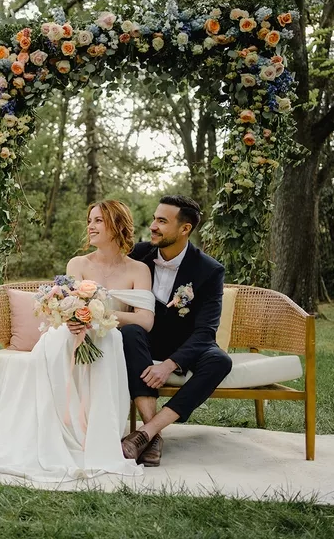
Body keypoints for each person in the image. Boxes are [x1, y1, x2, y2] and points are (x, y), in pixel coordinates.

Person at [0, 200, 155, 481]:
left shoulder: (138, 270)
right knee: (59, 340)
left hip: (108, 334)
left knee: (110, 340)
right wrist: (77, 315)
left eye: (98, 221)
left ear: (117, 225)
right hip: (69, 333)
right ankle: (57, 428)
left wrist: (102, 314)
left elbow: (145, 321)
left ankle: (94, 434)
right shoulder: (78, 263)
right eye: (89, 220)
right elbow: (69, 304)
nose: (90, 226)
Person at [120, 195, 232, 467]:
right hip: (144, 338)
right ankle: (153, 436)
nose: (153, 226)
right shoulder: (138, 254)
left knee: (220, 360)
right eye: (154, 219)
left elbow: (206, 331)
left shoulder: (209, 270)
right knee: (129, 331)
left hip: (185, 344)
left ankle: (146, 433)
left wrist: (170, 365)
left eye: (162, 221)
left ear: (185, 229)